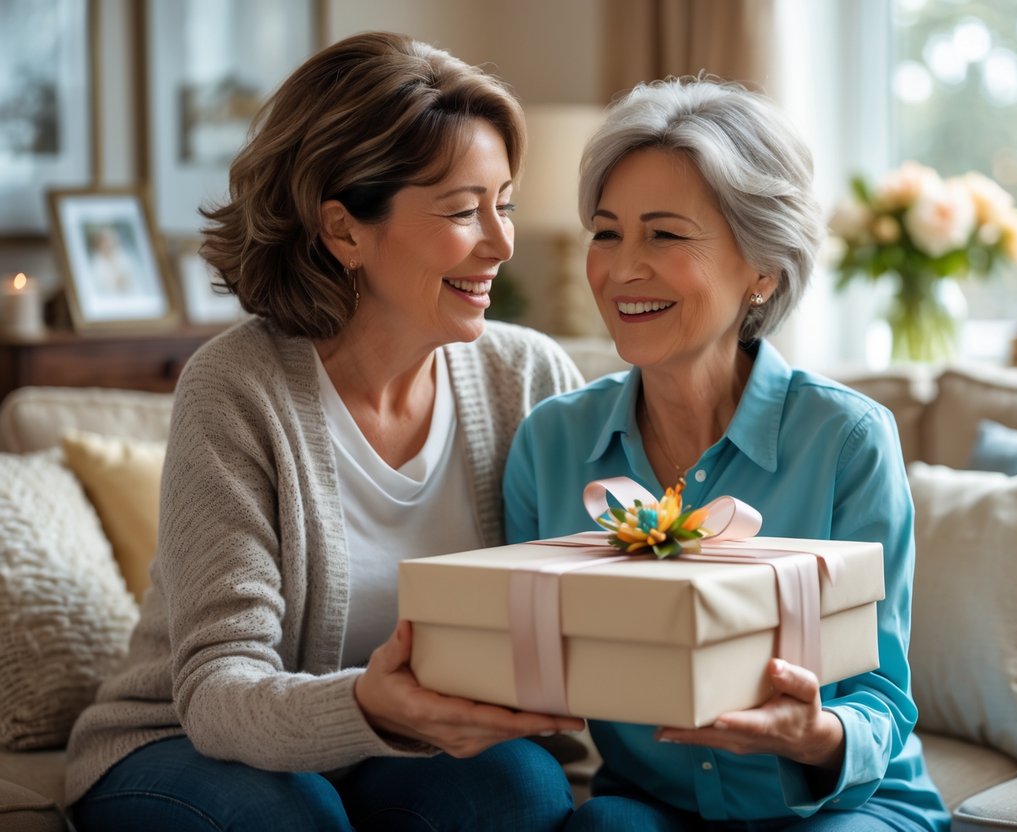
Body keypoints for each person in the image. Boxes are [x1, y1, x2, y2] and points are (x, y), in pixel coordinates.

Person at [66, 32, 587, 832]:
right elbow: (216, 691)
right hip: (183, 743)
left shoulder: (529, 377)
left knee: (516, 788)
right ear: (343, 231)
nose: (501, 242)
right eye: (461, 210)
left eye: (504, 204)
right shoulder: (236, 388)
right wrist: (367, 704)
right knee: (290, 815)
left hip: (403, 749)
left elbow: (581, 611)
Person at [503, 77, 950, 831]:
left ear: (761, 268)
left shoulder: (846, 440)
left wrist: (812, 734)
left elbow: (880, 697)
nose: (620, 269)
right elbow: (524, 663)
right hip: (653, 805)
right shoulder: (551, 443)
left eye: (664, 234)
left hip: (845, 806)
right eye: (606, 233)